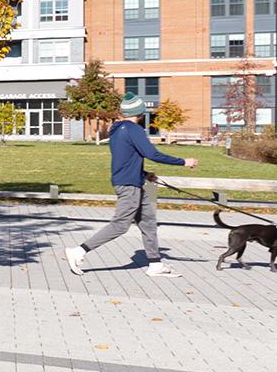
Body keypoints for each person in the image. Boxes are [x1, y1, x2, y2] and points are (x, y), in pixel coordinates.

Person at [67, 116, 199, 277]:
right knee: (120, 225)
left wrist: (143, 174)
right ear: (140, 112)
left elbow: (127, 158)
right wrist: (184, 162)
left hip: (135, 182)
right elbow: (152, 154)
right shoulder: (133, 128)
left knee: (148, 222)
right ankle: (78, 251)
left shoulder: (117, 130)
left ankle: (155, 264)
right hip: (129, 186)